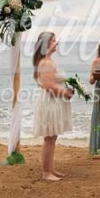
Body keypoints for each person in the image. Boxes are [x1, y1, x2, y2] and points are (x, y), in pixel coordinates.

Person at [32, 31, 73, 181]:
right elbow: (49, 86)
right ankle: (46, 173)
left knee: (52, 137)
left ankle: (51, 169)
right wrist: (65, 93)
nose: (57, 43)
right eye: (54, 40)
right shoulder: (46, 63)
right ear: (47, 44)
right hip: (49, 102)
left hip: (52, 101)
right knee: (49, 138)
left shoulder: (47, 60)